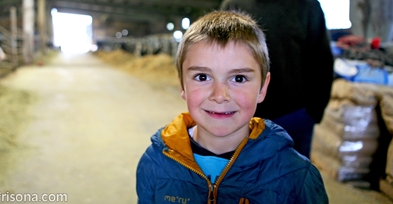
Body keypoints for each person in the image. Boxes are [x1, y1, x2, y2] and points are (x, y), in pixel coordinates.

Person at [136, 10, 328, 203]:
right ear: (182, 85)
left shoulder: (297, 177)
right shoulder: (154, 163)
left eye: (239, 78)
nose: (220, 96)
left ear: (262, 87)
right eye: (202, 77)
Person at [220, 0, 334, 159]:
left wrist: (313, 112)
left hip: (295, 117)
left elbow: (322, 61)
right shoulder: (233, 6)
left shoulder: (308, 8)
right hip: (243, 116)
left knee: (291, 184)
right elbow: (220, 61)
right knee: (242, 181)